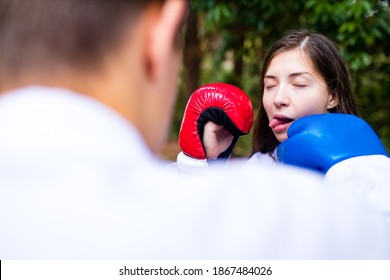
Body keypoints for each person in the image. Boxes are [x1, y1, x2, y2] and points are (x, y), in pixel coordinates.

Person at [0, 0, 389, 259]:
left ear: (333, 94)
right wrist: (200, 161)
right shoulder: (260, 177)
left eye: (298, 84)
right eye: (270, 85)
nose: (279, 98)